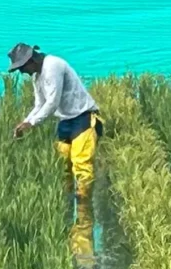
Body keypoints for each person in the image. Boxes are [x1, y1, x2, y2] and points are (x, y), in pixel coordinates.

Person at [7, 43, 103, 199]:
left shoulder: (52, 65)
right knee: (62, 164)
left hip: (83, 117)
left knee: (81, 164)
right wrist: (25, 122)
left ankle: (84, 205)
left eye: (22, 67)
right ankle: (65, 202)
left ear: (31, 60)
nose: (22, 72)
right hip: (65, 120)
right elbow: (39, 104)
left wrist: (32, 123)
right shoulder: (37, 76)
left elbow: (52, 102)